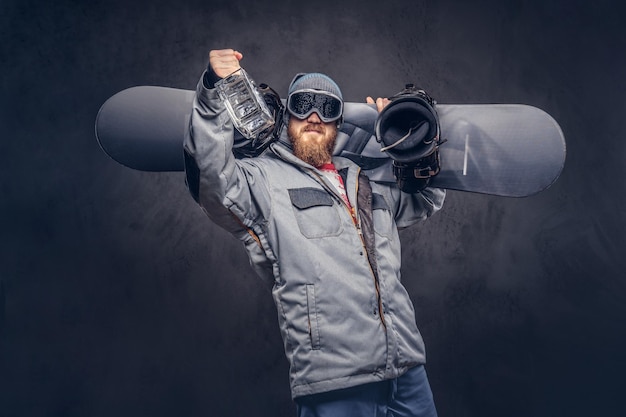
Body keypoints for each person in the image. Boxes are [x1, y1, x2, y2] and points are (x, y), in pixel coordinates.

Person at [183, 48, 445, 417]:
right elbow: (213, 181)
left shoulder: (366, 182)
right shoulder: (263, 180)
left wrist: (407, 140)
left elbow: (426, 199)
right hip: (337, 380)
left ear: (337, 126)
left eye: (327, 108)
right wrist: (212, 91)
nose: (314, 116)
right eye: (303, 105)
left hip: (406, 369)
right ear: (287, 118)